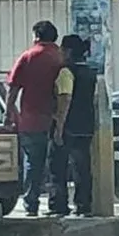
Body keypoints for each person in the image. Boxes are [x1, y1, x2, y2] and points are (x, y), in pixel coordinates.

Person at [5, 20, 64, 216]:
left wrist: (8, 113)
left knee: (32, 161)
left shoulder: (28, 56)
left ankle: (31, 204)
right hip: (59, 118)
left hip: (31, 118)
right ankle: (59, 203)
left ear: (36, 36)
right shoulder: (61, 57)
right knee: (60, 163)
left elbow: (13, 88)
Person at [49, 35, 96, 217]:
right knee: (82, 168)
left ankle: (59, 205)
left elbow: (65, 98)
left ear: (68, 51)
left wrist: (59, 127)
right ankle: (84, 205)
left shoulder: (66, 72)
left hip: (69, 126)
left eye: (61, 49)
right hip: (86, 126)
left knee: (58, 167)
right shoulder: (90, 71)